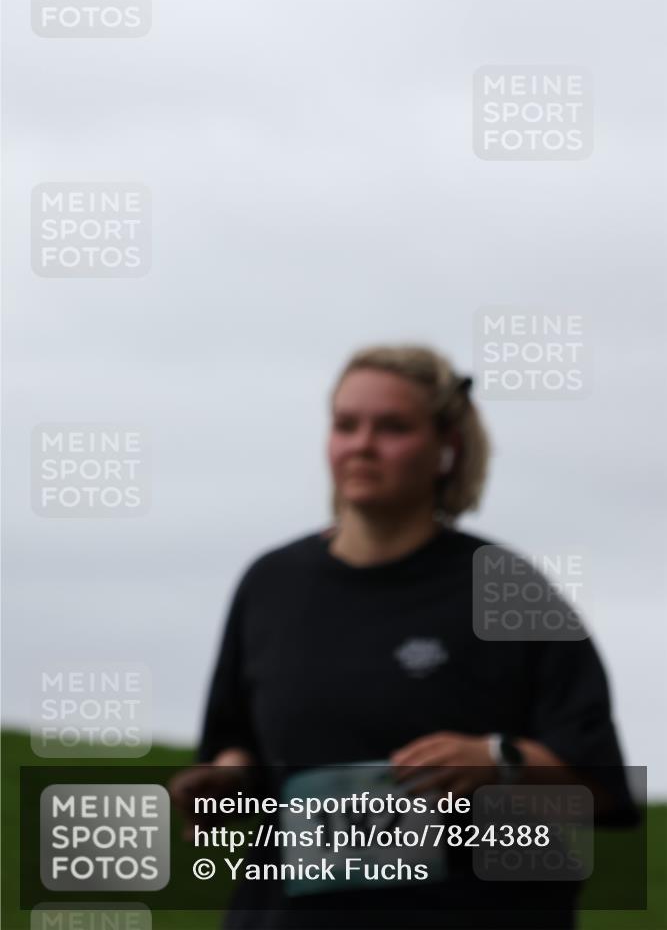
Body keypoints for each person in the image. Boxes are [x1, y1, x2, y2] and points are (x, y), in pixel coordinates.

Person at [171, 343, 638, 930]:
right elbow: (238, 744)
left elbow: (597, 788)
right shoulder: (271, 584)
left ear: (448, 448)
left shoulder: (507, 590)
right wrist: (228, 781)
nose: (362, 444)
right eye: (346, 425)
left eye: (392, 427)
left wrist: (499, 762)